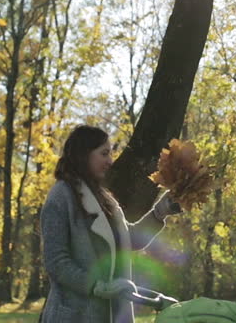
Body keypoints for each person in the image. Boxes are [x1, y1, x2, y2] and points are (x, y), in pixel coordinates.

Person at [40, 125, 181, 323]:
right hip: (74, 316)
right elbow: (56, 262)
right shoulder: (60, 197)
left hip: (112, 315)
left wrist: (161, 211)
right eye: (104, 154)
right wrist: (96, 286)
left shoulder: (105, 199)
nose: (110, 161)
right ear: (84, 154)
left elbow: (128, 240)